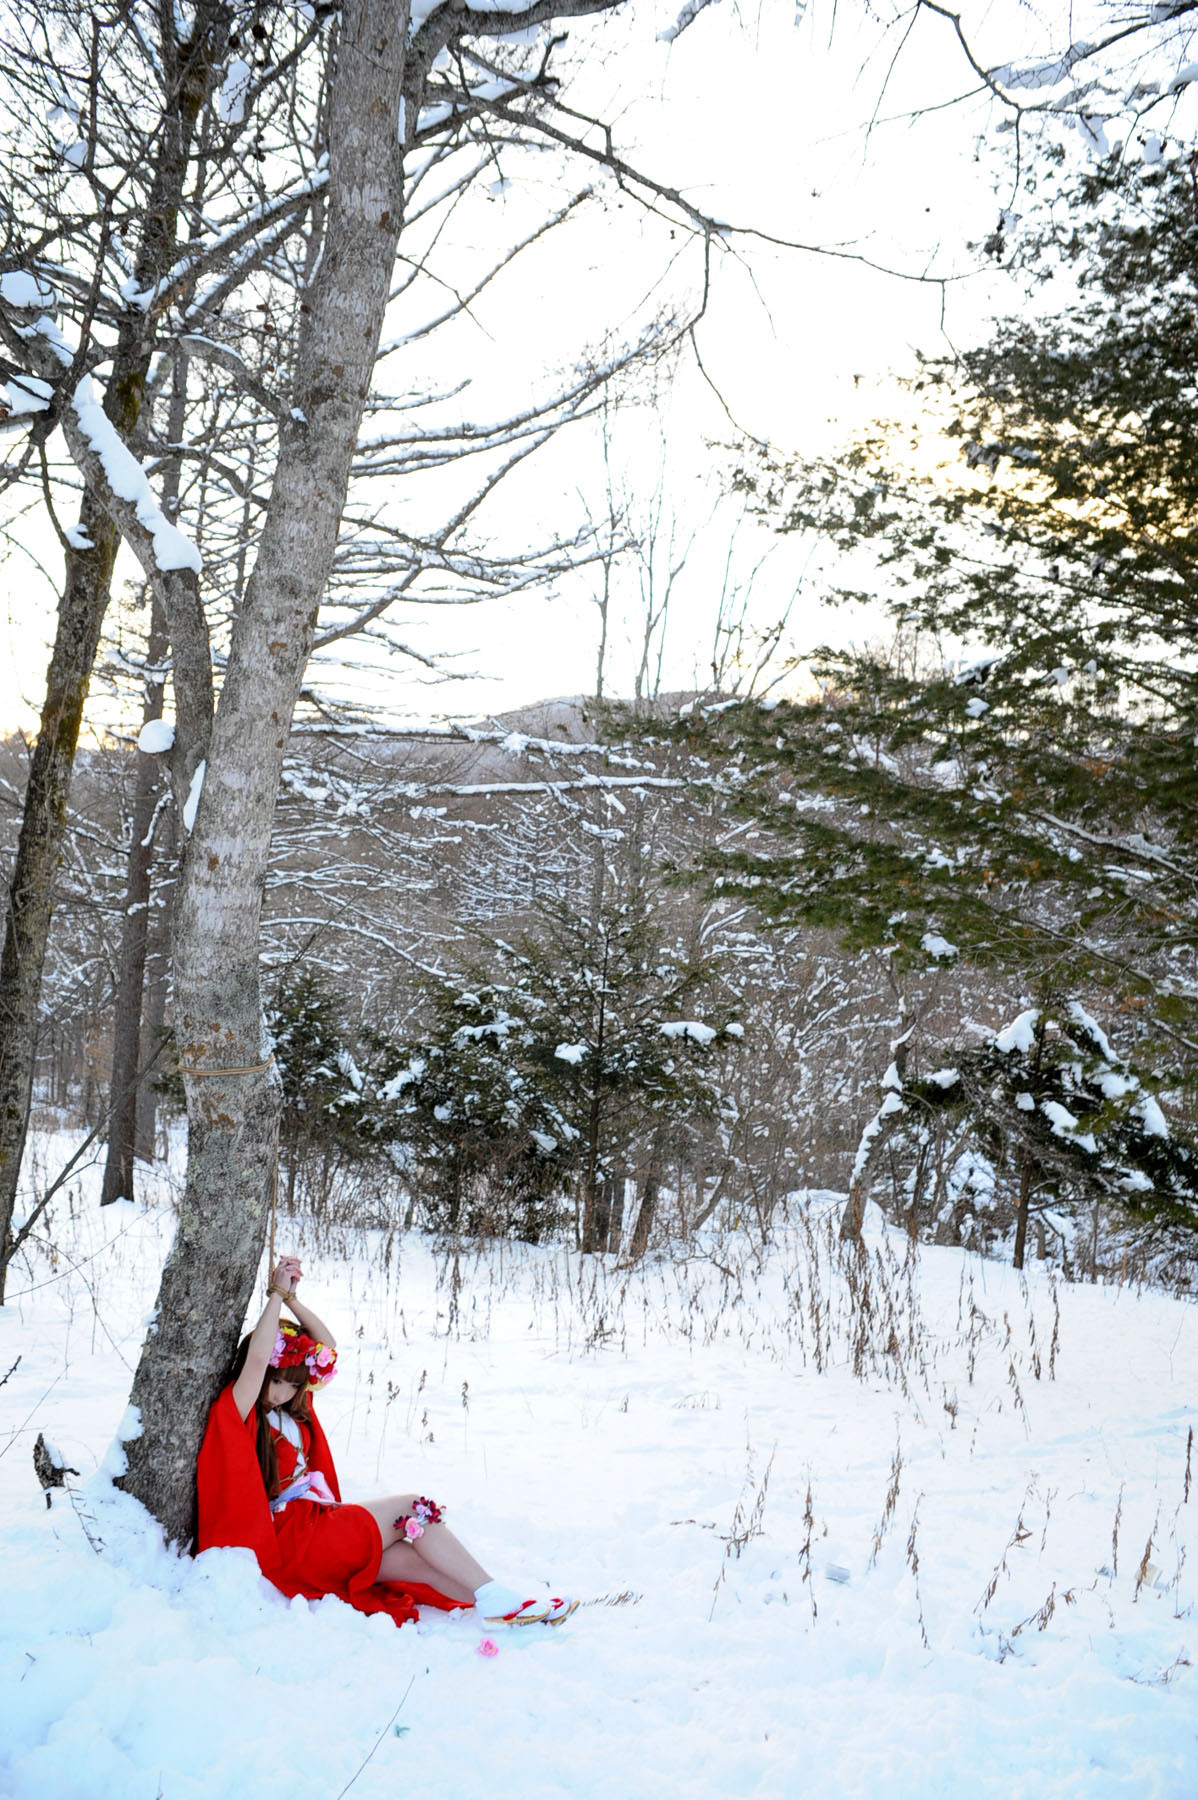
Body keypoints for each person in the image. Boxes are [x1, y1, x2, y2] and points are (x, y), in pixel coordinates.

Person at [196, 1254, 576, 1630]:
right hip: (293, 1538)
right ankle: (495, 1596)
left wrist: (293, 1300)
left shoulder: (296, 1411)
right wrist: (276, 1295)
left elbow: (326, 1347)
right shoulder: (242, 1411)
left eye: (294, 1384)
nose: (282, 1392)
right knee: (413, 1508)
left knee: (410, 1561)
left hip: (316, 1527)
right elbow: (259, 1358)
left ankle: (511, 1607)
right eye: (276, 1381)